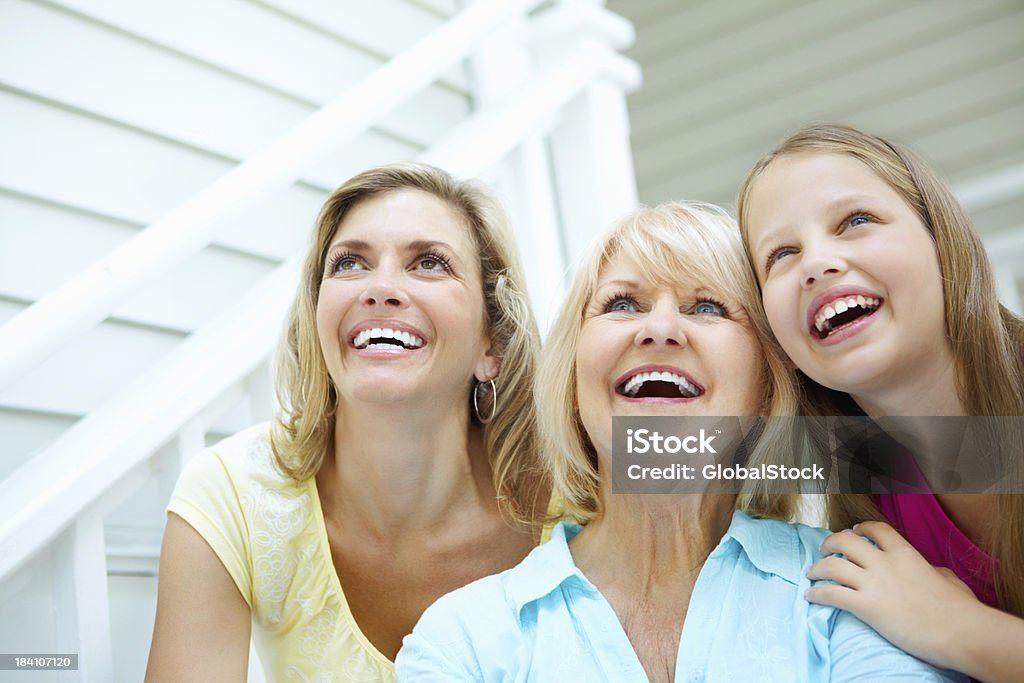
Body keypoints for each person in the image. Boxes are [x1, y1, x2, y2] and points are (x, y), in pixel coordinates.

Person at [395, 201, 959, 681]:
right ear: (572, 380)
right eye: (622, 304)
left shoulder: (851, 593)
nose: (659, 328)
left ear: (767, 390)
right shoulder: (464, 639)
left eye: (707, 307)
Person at [145, 163, 547, 682]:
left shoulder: (581, 477)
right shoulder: (232, 493)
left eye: (428, 263)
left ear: (491, 343)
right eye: (349, 264)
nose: (380, 289)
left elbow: (686, 460)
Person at [738, 123, 1024, 682]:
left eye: (855, 221)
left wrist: (954, 627)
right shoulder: (869, 490)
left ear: (943, 240)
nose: (818, 263)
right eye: (782, 254)